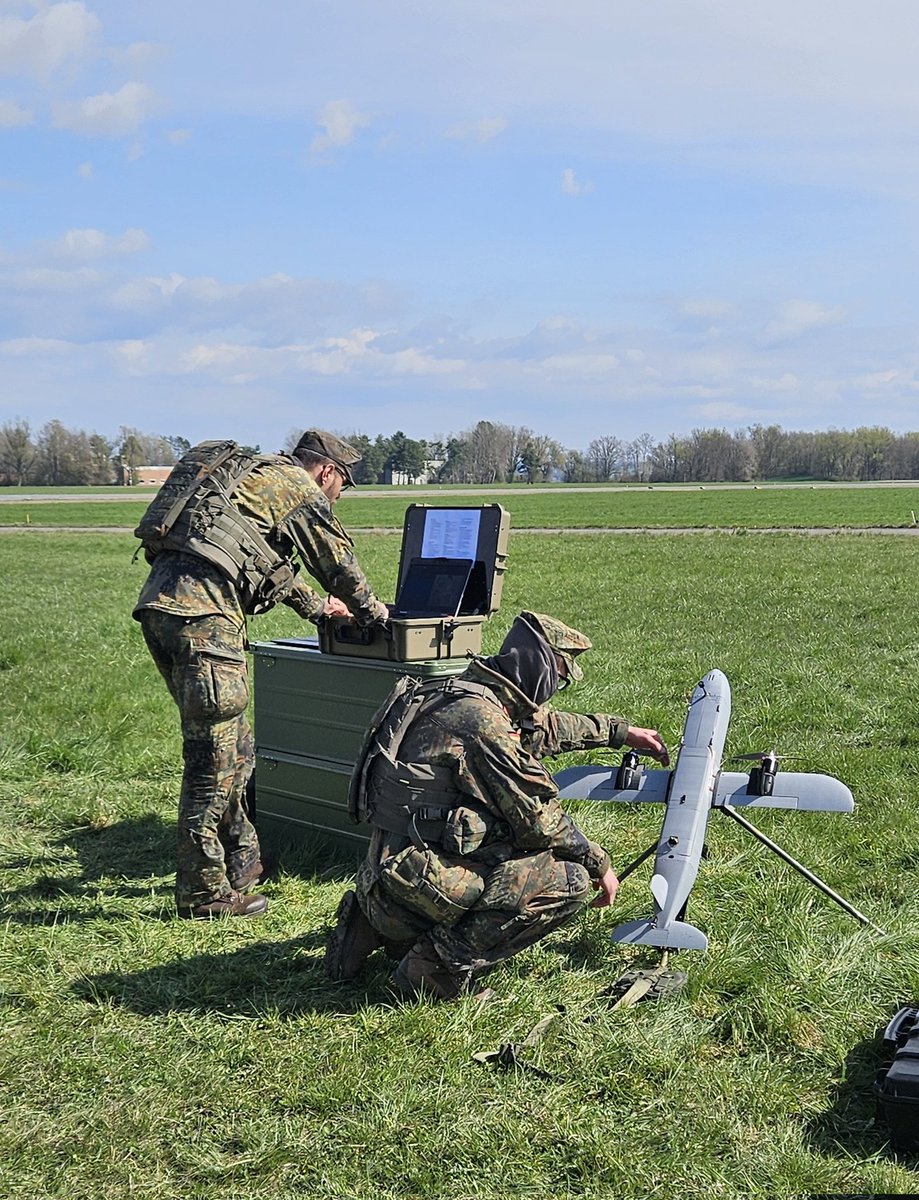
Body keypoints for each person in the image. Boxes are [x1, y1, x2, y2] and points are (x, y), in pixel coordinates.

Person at [325, 610, 669, 998]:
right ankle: (434, 965)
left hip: (388, 871)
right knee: (567, 881)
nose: (556, 688)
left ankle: (369, 924)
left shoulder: (459, 690)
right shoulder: (484, 724)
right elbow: (539, 821)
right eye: (559, 677)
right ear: (542, 670)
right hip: (419, 880)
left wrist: (620, 733)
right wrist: (598, 863)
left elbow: (543, 729)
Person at [133, 430, 389, 920]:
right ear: (328, 471)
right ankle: (204, 892)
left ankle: (244, 861)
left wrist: (317, 609)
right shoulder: (297, 486)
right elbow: (338, 564)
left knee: (237, 747)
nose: (338, 496)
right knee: (212, 762)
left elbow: (262, 562)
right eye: (343, 486)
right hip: (205, 622)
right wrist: (377, 617)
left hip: (162, 613)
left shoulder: (252, 479)